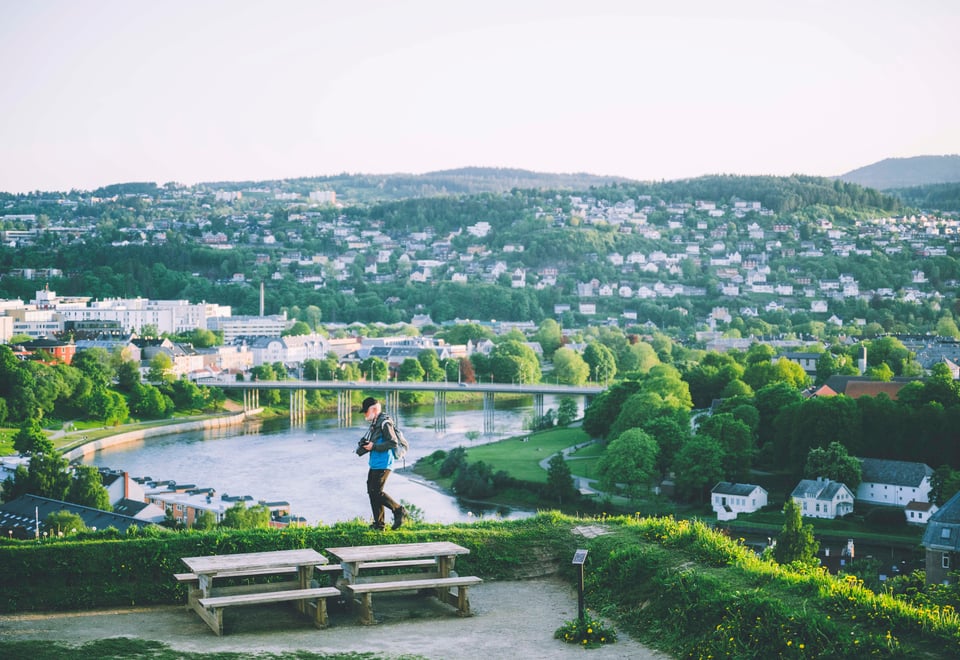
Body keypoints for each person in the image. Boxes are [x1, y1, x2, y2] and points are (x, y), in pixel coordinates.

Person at [356, 396, 406, 530]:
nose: (365, 414)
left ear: (373, 409)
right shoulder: (375, 423)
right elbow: (375, 443)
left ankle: (399, 510)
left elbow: (393, 442)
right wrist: (366, 447)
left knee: (376, 492)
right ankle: (379, 525)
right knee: (372, 492)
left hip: (384, 463)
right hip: (375, 463)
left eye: (366, 411)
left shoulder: (385, 422)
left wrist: (374, 447)